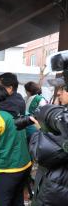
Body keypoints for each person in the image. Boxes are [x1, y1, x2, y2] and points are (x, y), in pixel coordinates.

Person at [28, 76, 68, 205]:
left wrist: (41, 130)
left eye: (64, 89)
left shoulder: (64, 123)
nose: (58, 93)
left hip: (57, 190)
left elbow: (40, 154)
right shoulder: (62, 117)